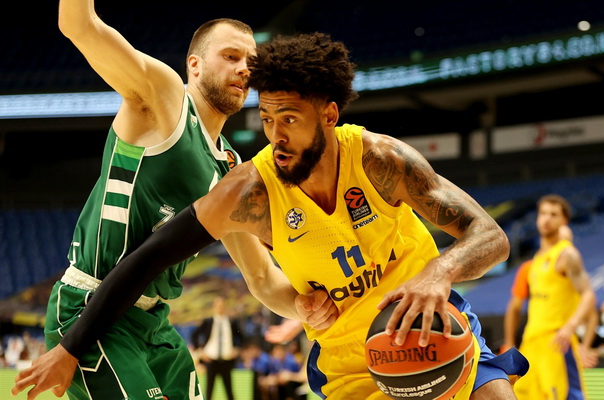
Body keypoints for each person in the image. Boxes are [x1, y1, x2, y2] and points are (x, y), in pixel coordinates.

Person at [16, 32, 529, 399]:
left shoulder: (380, 160)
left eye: (289, 119)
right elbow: (150, 256)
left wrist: (440, 272)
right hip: (349, 365)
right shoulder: (248, 190)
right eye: (265, 118)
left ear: (329, 115)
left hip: (434, 331)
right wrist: (72, 345)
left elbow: (490, 236)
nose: (275, 135)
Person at [11, 4, 337, 400]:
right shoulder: (165, 98)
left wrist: (303, 307)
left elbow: (262, 278)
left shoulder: (230, 168)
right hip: (91, 309)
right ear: (194, 65)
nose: (243, 69)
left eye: (250, 62)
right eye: (230, 56)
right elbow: (79, 25)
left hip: (155, 324)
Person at [512, 194, 597, 400]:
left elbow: (588, 295)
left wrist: (571, 328)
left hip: (557, 343)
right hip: (531, 343)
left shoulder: (567, 255)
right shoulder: (536, 259)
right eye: (543, 213)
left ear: (564, 220)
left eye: (553, 214)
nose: (546, 219)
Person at [191, 296, 243, 400]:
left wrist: (237, 349)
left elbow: (242, 337)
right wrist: (200, 351)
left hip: (226, 360)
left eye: (222, 306)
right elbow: (195, 335)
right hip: (211, 359)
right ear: (214, 307)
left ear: (226, 307)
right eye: (218, 306)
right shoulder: (208, 322)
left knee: (229, 390)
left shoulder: (231, 322)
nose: (220, 308)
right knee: (209, 390)